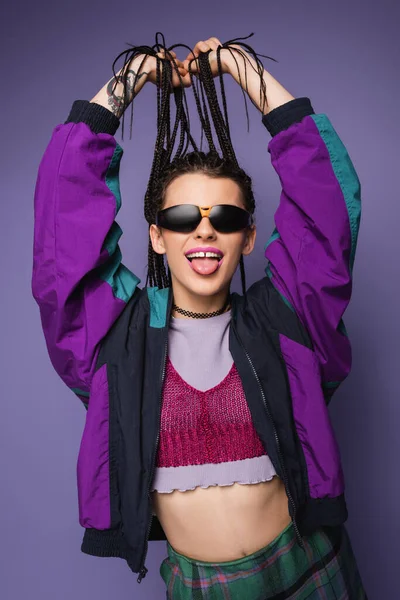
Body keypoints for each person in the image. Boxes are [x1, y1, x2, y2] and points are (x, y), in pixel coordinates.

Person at [32, 34, 367, 599]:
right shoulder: (119, 338)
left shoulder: (286, 321)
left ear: (249, 237)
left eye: (226, 216)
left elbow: (327, 213)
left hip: (314, 572)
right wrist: (131, 78)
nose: (204, 229)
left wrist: (244, 71)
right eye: (183, 216)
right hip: (201, 587)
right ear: (157, 236)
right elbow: (63, 239)